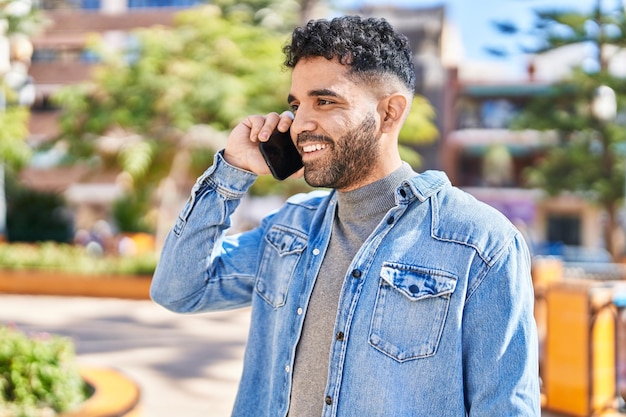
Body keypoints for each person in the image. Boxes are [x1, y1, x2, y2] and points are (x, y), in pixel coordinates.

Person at [150, 15, 540, 417]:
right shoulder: (289, 229)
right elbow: (179, 289)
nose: (300, 123)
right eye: (296, 105)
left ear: (389, 113)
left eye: (325, 101)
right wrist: (232, 170)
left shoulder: (480, 243)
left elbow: (505, 407)